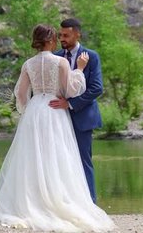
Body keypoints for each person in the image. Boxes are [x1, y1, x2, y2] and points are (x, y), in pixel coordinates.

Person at [0, 24, 115, 232]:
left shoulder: (28, 63)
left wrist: (28, 109)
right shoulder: (60, 61)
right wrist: (79, 70)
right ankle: (58, 200)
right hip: (54, 110)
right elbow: (71, 90)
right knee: (59, 156)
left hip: (35, 111)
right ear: (51, 40)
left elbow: (20, 93)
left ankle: (32, 202)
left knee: (34, 157)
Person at [49, 18, 103, 203]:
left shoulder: (91, 56)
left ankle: (91, 203)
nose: (62, 38)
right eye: (60, 35)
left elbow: (96, 88)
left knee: (83, 161)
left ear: (77, 34)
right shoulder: (55, 57)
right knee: (60, 162)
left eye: (66, 35)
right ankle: (65, 203)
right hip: (58, 118)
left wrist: (71, 104)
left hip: (82, 118)